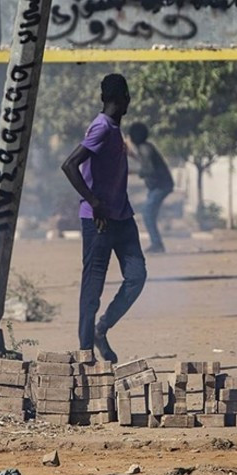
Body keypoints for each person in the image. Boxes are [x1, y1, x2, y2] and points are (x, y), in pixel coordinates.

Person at [61, 74, 146, 363]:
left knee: (137, 276)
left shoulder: (113, 128)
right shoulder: (102, 128)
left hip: (122, 217)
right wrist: (94, 201)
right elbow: (69, 165)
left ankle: (101, 329)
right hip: (99, 221)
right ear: (124, 99)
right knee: (93, 287)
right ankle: (85, 351)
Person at [129, 123, 174, 254]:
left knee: (148, 213)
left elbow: (149, 170)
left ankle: (157, 244)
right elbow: (146, 163)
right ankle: (156, 243)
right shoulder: (145, 147)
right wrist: (132, 155)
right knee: (149, 214)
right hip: (158, 186)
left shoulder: (144, 148)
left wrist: (131, 171)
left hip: (161, 186)